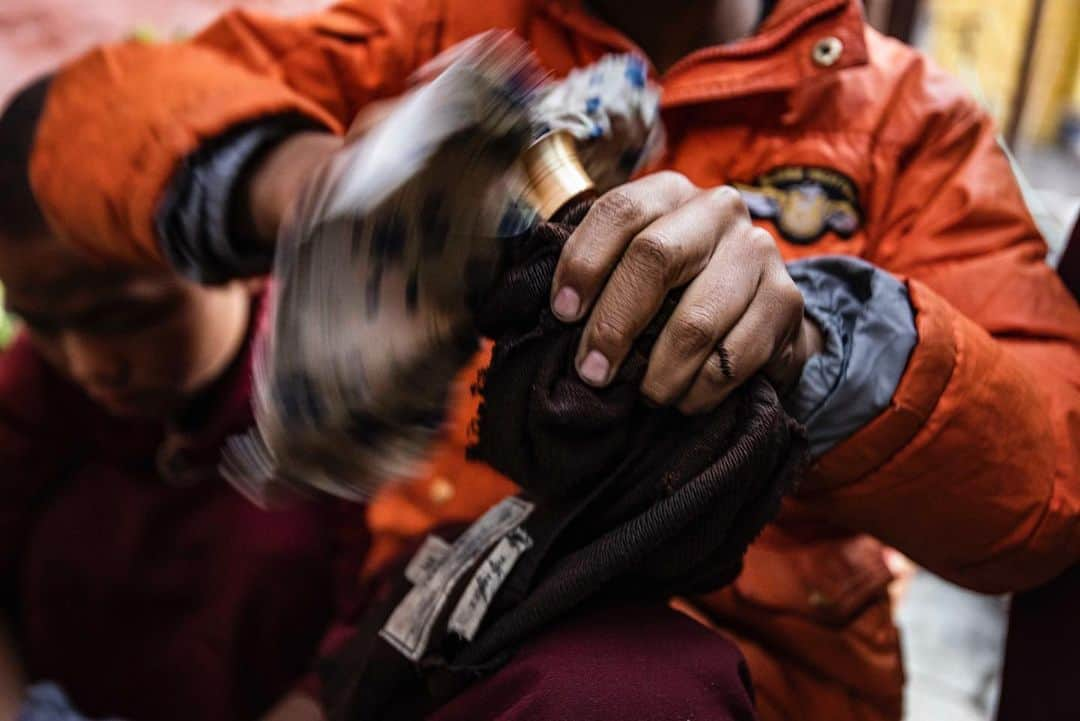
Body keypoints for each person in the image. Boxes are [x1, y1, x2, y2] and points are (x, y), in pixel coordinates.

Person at [19, 0, 1080, 719]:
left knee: (621, 688)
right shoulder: (447, 26)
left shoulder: (912, 131)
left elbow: (1042, 495)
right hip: (419, 617)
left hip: (751, 677)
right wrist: (323, 185)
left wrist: (808, 337)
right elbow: (96, 118)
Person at [0, 77, 372, 721]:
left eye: (127, 317)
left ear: (250, 260)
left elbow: (378, 637)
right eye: (44, 323)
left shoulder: (349, 393)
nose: (91, 366)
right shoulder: (32, 392)